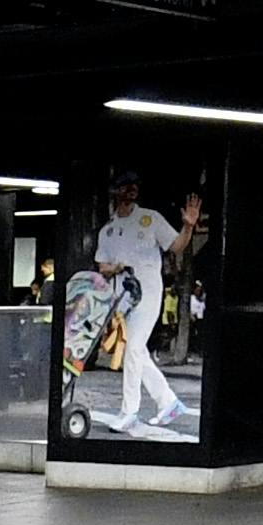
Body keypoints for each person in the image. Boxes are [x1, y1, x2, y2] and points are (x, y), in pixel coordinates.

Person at [82, 171, 205, 436]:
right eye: (125, 186)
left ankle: (129, 412)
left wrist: (188, 226)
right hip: (122, 298)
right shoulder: (108, 229)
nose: (131, 190)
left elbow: (176, 247)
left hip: (148, 293)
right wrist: (113, 268)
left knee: (134, 347)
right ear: (115, 192)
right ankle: (168, 401)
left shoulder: (150, 218)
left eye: (135, 185)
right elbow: (102, 265)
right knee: (135, 352)